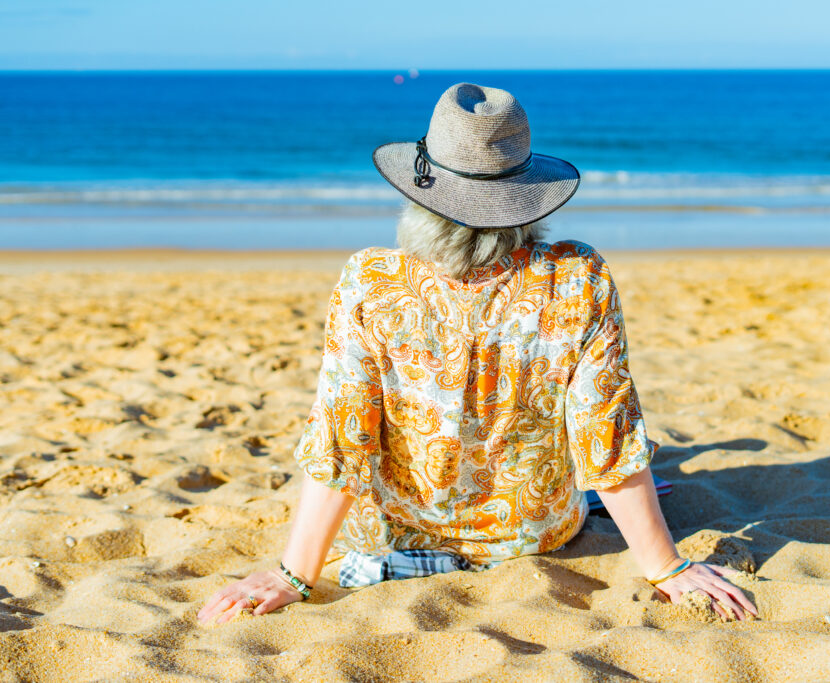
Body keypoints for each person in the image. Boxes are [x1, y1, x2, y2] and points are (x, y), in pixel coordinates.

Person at [197, 83, 757, 626]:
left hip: (396, 534)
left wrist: (295, 575)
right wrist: (665, 566)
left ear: (421, 187)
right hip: (537, 532)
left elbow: (343, 437)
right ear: (526, 191)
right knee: (597, 475)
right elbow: (605, 438)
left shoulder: (370, 280)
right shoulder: (578, 278)